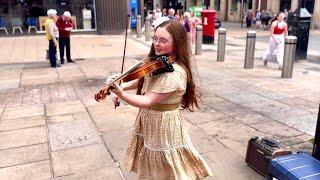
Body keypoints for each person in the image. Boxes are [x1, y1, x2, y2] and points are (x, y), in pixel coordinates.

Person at [106, 17, 213, 179]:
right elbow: (143, 79)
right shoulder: (159, 62)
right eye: (155, 39)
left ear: (177, 43)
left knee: (166, 165)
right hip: (150, 119)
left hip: (163, 123)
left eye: (163, 40)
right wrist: (121, 86)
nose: (157, 44)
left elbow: (148, 100)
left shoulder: (175, 74)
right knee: (153, 163)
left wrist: (121, 94)